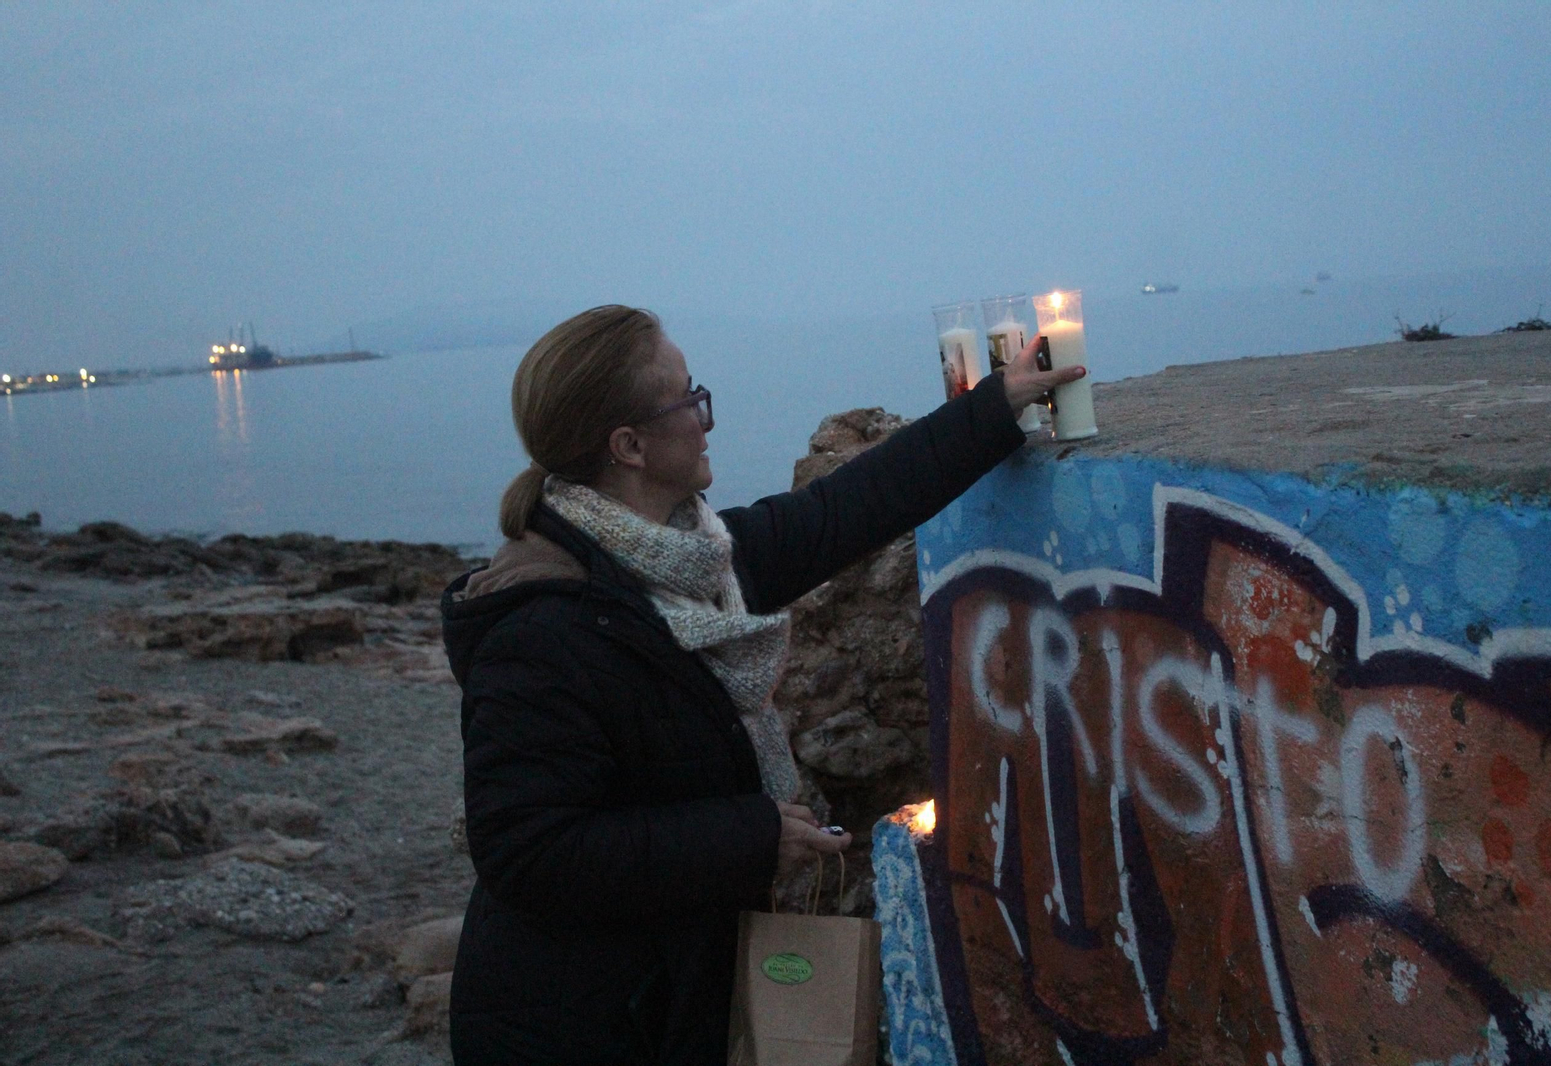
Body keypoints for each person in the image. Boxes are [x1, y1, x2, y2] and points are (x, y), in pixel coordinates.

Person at [440, 304, 1084, 1065]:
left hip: (666, 996)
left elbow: (844, 509)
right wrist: (750, 838)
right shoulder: (545, 632)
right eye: (689, 399)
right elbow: (528, 853)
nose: (707, 419)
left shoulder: (688, 566)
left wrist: (994, 406)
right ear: (629, 446)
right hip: (581, 1024)